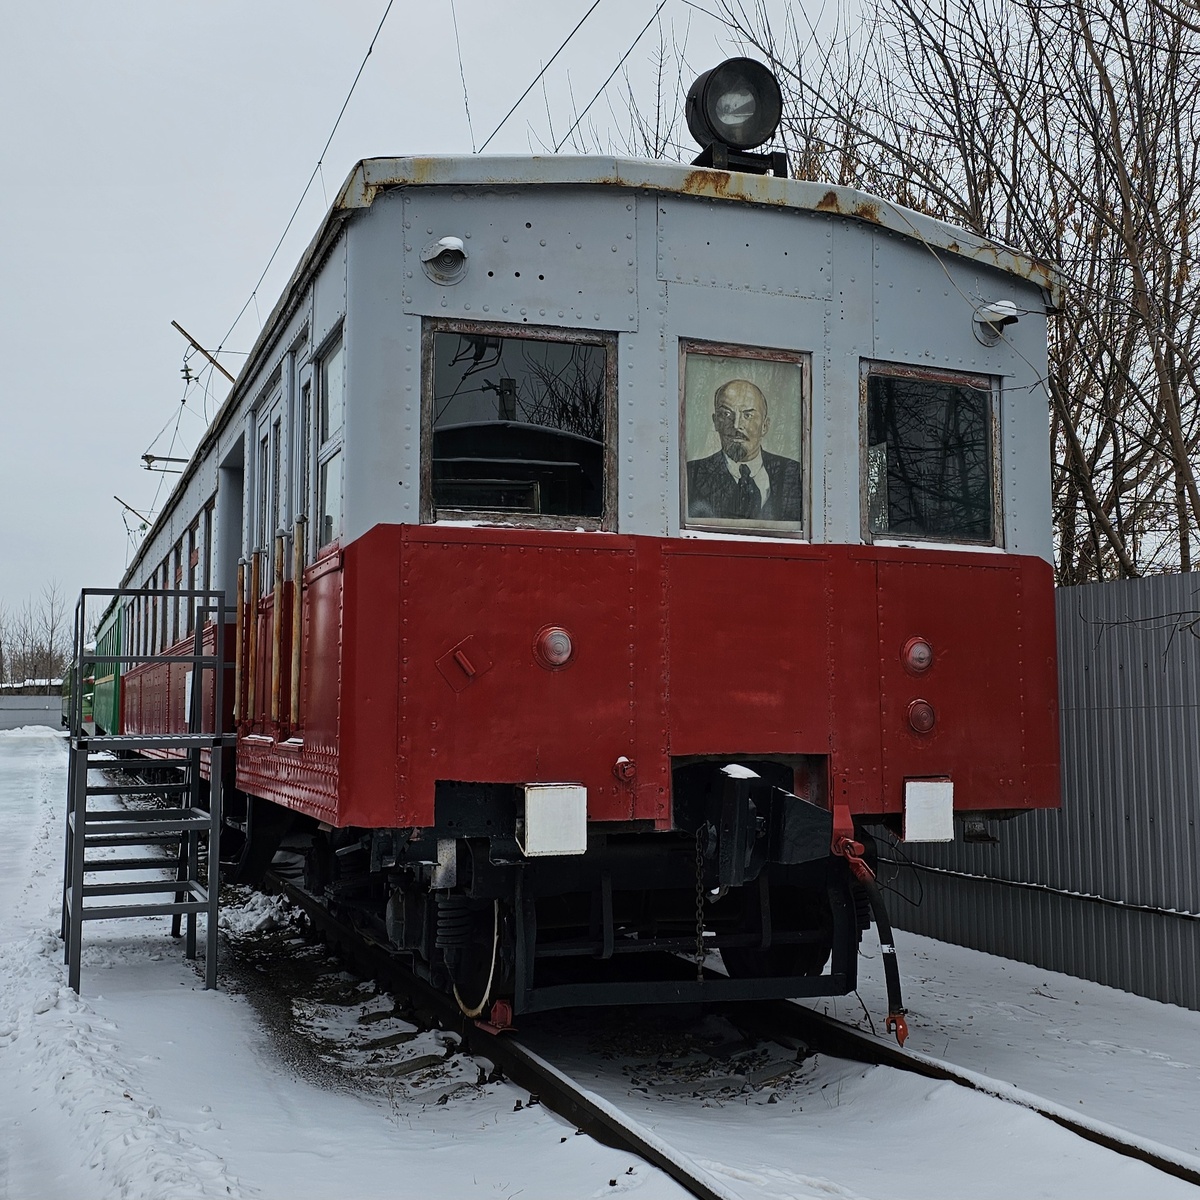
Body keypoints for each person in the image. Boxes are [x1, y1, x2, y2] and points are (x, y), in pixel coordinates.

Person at [686, 378, 803, 521]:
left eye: (747, 415)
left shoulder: (795, 475)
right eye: (726, 414)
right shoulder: (690, 475)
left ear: (765, 426)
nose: (736, 425)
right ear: (716, 422)